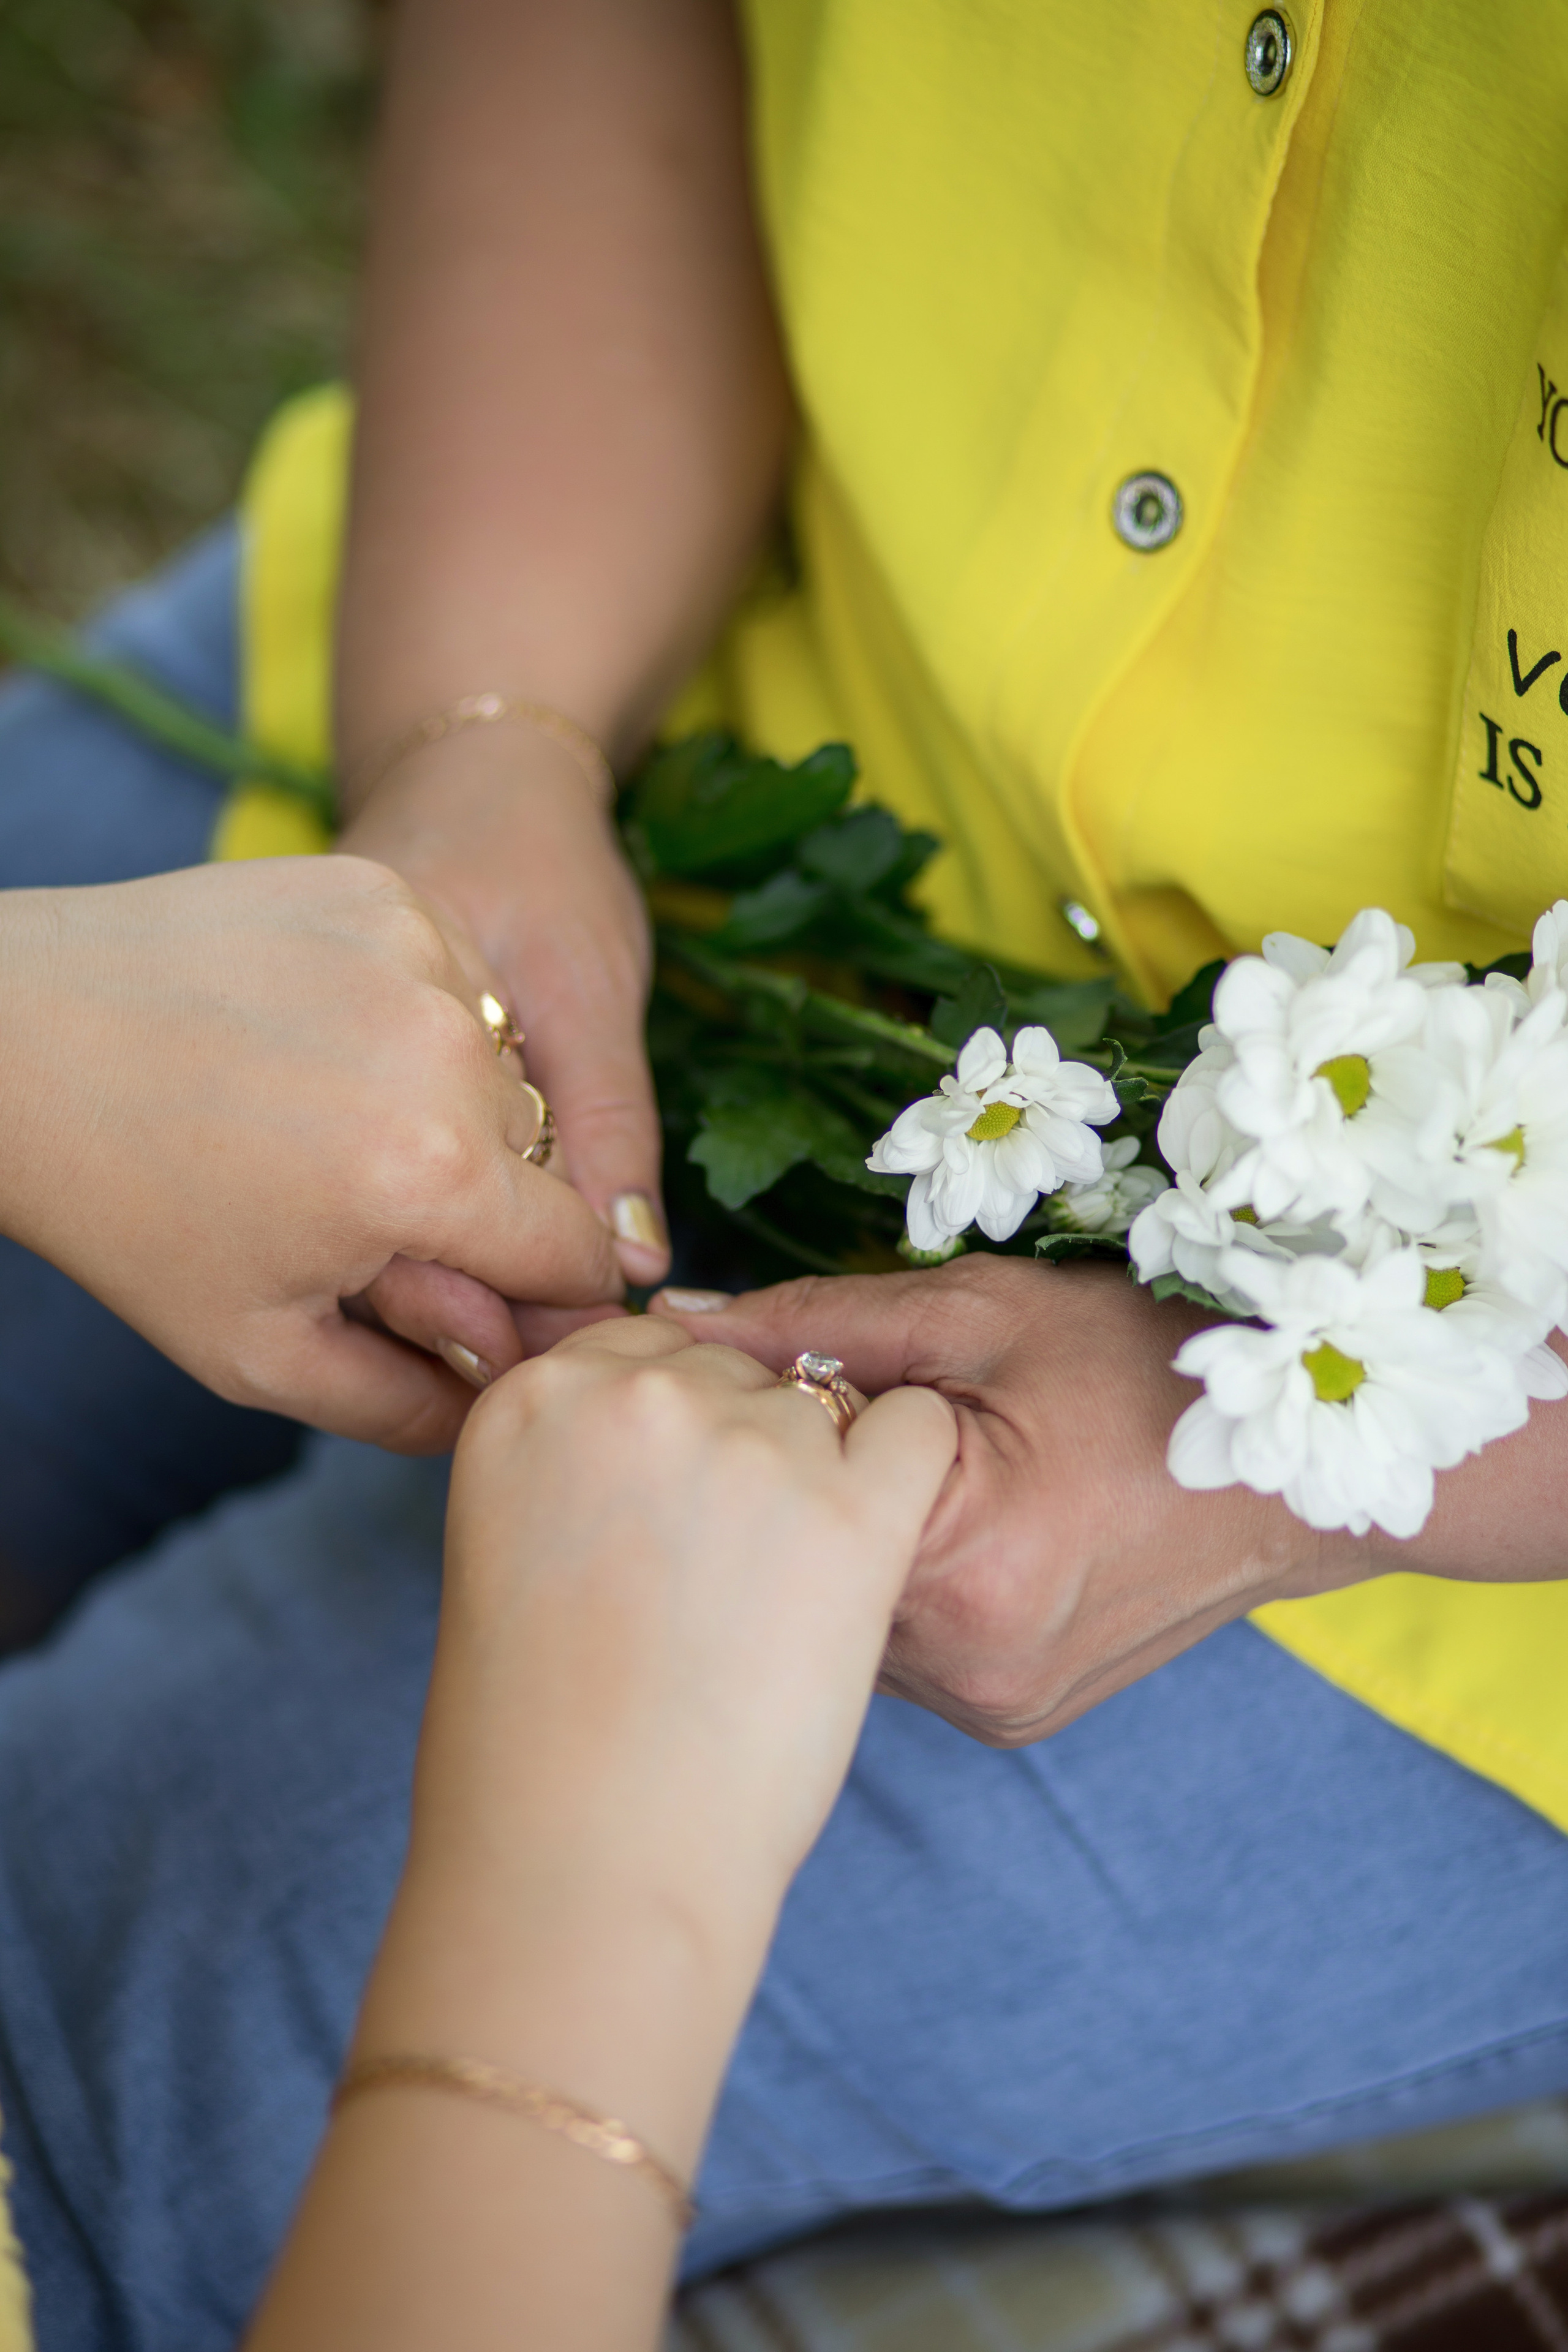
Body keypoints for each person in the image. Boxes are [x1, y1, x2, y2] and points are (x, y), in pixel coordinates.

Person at [2, 2, 1568, 2345]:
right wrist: (482, 741)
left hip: (1426, 1500)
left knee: (126, 1978)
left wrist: (1285, 1462)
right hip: (677, 708)